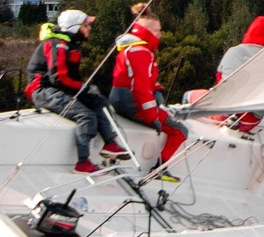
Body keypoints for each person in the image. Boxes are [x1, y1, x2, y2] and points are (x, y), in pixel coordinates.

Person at [26, 9, 120, 173]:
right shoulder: (58, 45)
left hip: (57, 89)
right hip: (43, 91)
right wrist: (83, 88)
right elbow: (59, 78)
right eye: (86, 25)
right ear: (75, 27)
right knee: (86, 115)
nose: (89, 28)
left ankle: (110, 144)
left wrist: (88, 91)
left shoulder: (70, 45)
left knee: (100, 101)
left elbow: (71, 78)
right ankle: (82, 162)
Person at [109, 11, 190, 174]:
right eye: (157, 31)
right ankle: (160, 169)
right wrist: (152, 117)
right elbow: (141, 88)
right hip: (132, 103)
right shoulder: (142, 52)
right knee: (181, 130)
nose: (160, 35)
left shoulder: (129, 49)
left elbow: (140, 80)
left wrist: (157, 90)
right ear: (146, 32)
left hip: (118, 99)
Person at [213, 15, 264, 130]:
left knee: (189, 96)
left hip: (223, 112)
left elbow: (220, 80)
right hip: (249, 121)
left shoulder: (232, 52)